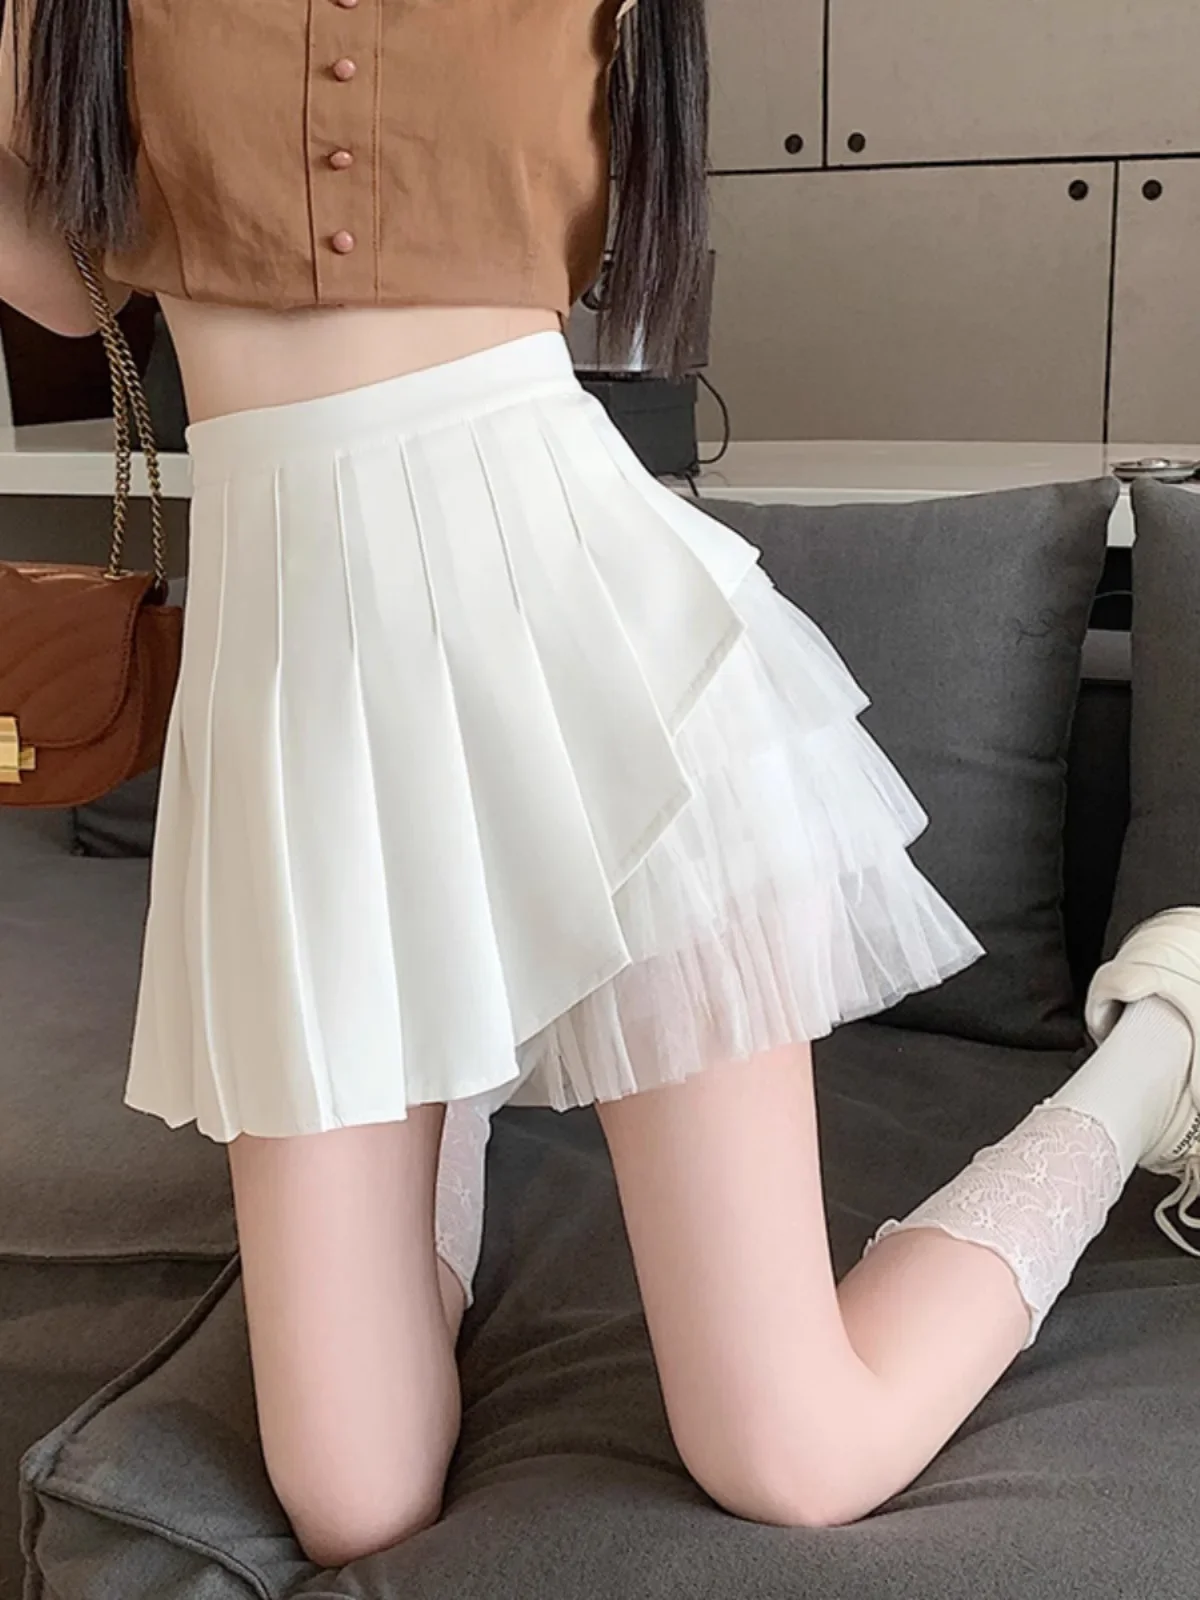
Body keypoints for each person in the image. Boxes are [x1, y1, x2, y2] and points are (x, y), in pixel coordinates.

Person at [3, 0, 1198, 1571]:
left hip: (600, 668)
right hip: (295, 726)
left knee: (797, 1455)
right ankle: (462, 1071)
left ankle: (1162, 1042)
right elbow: (61, 278)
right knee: (355, 1497)